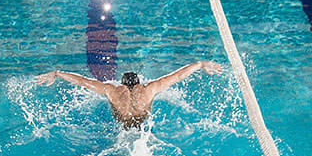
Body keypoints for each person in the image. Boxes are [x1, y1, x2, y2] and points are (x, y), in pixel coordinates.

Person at [39, 61, 222, 127]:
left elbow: (83, 81)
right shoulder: (150, 88)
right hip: (143, 125)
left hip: (121, 128)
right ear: (139, 82)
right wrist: (199, 64)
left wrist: (57, 74)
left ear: (122, 83)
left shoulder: (112, 90)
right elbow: (176, 76)